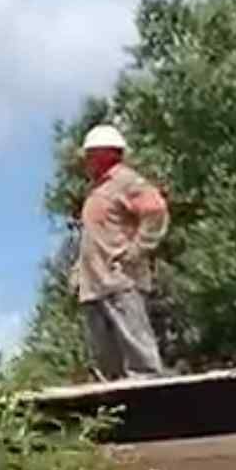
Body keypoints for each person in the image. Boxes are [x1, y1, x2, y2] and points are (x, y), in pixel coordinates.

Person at [72, 123, 169, 380]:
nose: (86, 161)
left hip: (120, 280)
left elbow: (155, 211)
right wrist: (78, 273)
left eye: (90, 154)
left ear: (106, 153)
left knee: (139, 353)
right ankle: (116, 404)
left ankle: (151, 396)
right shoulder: (96, 190)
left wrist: (137, 250)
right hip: (94, 285)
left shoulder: (127, 182)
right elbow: (93, 237)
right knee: (105, 357)